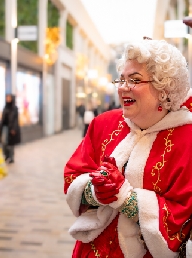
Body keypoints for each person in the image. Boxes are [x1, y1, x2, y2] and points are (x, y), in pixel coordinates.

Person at [64, 39, 192, 257]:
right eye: (121, 79)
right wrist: (95, 190)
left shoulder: (187, 139)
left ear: (164, 88)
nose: (123, 87)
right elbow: (72, 176)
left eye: (134, 80)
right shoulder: (103, 124)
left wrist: (126, 198)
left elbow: (183, 213)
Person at [0, 94, 21, 163]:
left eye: (9, 97)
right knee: (4, 142)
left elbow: (16, 119)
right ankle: (6, 155)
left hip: (11, 128)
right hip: (4, 127)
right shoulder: (5, 107)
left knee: (11, 144)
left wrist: (14, 129)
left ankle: (11, 157)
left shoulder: (15, 108)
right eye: (6, 97)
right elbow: (2, 118)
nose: (7, 99)